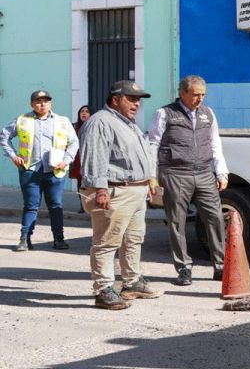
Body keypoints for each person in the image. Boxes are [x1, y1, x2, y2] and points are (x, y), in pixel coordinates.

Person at [80, 80, 163, 310]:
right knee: (106, 242)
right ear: (115, 100)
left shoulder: (129, 124)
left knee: (133, 239)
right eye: (131, 98)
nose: (136, 104)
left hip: (135, 191)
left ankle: (132, 282)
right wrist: (100, 189)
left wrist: (149, 179)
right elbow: (94, 158)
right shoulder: (100, 121)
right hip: (114, 191)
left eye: (138, 100)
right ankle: (103, 289)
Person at [147, 75, 228, 286]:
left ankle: (220, 266)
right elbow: (152, 144)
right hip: (175, 173)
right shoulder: (164, 113)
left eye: (203, 95)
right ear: (182, 93)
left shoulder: (208, 114)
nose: (199, 99)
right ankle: (183, 267)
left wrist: (221, 172)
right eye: (195, 95)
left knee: (215, 218)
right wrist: (152, 176)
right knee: (177, 222)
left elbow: (215, 143)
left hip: (203, 173)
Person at [0, 90, 79, 251]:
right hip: (30, 170)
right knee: (30, 206)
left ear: (50, 103)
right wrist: (13, 156)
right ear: (32, 104)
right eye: (38, 101)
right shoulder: (22, 120)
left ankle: (59, 239)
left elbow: (74, 142)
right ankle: (24, 239)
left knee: (55, 205)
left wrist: (66, 161)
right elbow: (4, 137)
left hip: (55, 171)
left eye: (45, 101)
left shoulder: (62, 121)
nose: (42, 104)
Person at [69, 105, 92, 213]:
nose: (84, 113)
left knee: (90, 184)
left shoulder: (94, 126)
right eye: (82, 111)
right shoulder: (74, 127)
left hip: (89, 159)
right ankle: (82, 206)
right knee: (80, 183)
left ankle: (91, 205)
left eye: (87, 111)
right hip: (77, 159)